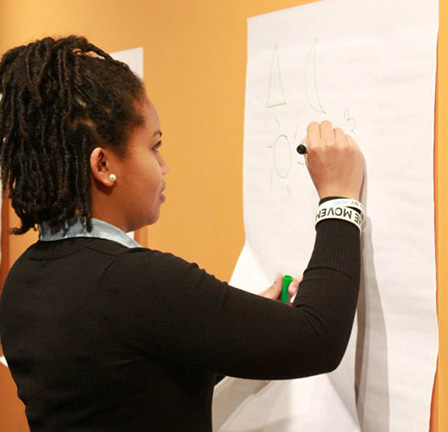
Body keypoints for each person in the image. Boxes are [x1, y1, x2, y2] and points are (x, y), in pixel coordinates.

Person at [0, 36, 364, 432]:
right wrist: (338, 199)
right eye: (154, 147)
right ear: (103, 164)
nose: (164, 165)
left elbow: (137, 376)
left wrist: (235, 324)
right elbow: (317, 340)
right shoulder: (134, 282)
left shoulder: (24, 278)